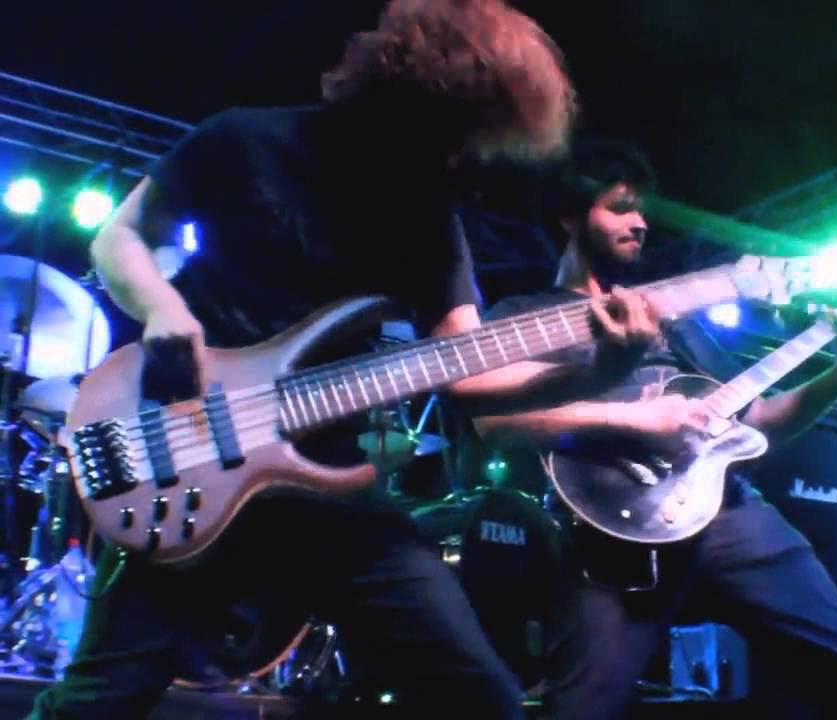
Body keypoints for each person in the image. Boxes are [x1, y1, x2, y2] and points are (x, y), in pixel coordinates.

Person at [27, 3, 666, 718]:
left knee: (482, 699)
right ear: (402, 94)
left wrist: (597, 372)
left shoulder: (427, 215)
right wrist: (162, 309)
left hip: (328, 485)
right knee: (97, 703)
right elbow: (120, 236)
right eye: (452, 130)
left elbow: (465, 370)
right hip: (192, 455)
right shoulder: (244, 140)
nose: (461, 155)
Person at [466, 139, 837, 719]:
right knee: (580, 709)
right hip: (604, 531)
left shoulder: (678, 321)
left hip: (724, 513)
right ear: (570, 217)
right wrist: (635, 418)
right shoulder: (524, 316)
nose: (640, 223)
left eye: (642, 212)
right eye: (620, 208)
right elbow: (494, 423)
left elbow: (761, 420)